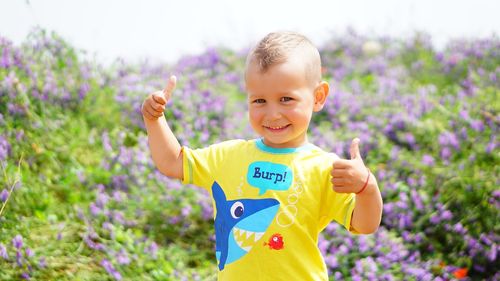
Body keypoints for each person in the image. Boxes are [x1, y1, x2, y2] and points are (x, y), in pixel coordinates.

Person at [141, 31, 383, 280]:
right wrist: (154, 120)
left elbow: (365, 225)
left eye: (286, 99)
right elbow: (172, 162)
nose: (272, 114)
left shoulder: (324, 168)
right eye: (259, 101)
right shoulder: (229, 156)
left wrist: (367, 187)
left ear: (318, 97)